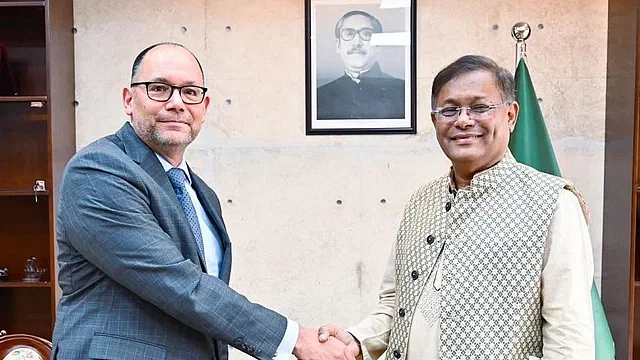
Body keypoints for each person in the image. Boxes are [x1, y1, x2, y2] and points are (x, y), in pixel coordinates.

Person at [51, 42, 354, 360]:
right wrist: (294, 338)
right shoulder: (99, 170)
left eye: (190, 92)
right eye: (159, 88)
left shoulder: (201, 192)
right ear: (129, 100)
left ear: (205, 107)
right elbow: (176, 282)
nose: (177, 103)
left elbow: (205, 300)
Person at [318, 55, 595, 359]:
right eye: (449, 110)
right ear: (435, 120)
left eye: (479, 107)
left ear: (511, 115)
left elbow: (569, 339)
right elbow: (397, 304)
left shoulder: (553, 202)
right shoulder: (421, 202)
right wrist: (356, 340)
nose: (463, 120)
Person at [316, 10, 405, 120]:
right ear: (338, 45)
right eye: (349, 33)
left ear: (378, 45)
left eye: (366, 34)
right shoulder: (319, 96)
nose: (357, 42)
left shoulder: (402, 92)